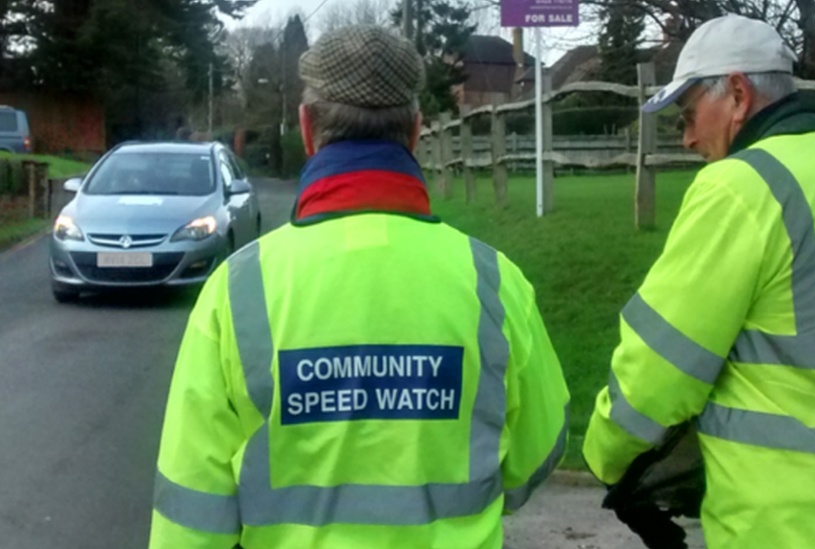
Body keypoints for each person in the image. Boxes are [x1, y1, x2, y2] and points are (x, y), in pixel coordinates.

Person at [149, 25, 569, 549]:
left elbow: (190, 514)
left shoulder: (236, 291)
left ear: (307, 128)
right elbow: (537, 455)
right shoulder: (495, 282)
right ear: (416, 131)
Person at [583, 14, 815, 549]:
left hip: (781, 523)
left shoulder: (739, 188)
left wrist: (606, 453)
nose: (689, 136)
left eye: (691, 112)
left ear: (739, 94)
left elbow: (661, 368)